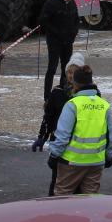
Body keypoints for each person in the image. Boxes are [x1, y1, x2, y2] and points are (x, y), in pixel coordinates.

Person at [48, 66, 112, 195]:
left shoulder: (72, 104)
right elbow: (111, 136)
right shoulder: (104, 105)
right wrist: (109, 156)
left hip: (71, 162)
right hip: (96, 161)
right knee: (89, 201)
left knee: (62, 200)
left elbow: (63, 135)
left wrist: (54, 155)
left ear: (75, 83)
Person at [34, 52, 88, 195]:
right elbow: (48, 117)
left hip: (80, 146)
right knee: (57, 182)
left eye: (75, 72)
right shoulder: (58, 92)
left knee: (79, 187)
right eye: (69, 72)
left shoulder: (89, 95)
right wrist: (42, 137)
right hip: (59, 143)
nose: (71, 75)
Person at [39, 0, 80, 96]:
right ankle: (47, 96)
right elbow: (44, 21)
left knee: (66, 68)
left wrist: (74, 33)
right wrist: (57, 33)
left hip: (68, 41)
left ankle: (65, 91)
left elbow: (76, 19)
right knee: (52, 67)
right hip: (54, 41)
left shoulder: (72, 3)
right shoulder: (51, 3)